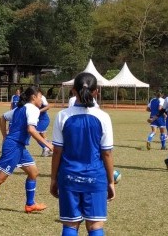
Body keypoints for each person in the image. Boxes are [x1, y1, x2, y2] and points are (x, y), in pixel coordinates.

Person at [0, 86, 53, 218]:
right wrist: (47, 144)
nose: (42, 99)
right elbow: (31, 129)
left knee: (33, 172)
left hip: (19, 147)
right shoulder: (33, 109)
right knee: (0, 178)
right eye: (40, 96)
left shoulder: (20, 109)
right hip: (14, 147)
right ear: (34, 97)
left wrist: (4, 136)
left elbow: (2, 118)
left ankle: (30, 204)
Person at [50, 72, 115, 236]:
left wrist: (53, 178)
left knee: (70, 226)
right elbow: (106, 153)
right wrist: (111, 182)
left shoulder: (62, 116)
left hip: (69, 177)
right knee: (95, 226)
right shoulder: (103, 117)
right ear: (96, 92)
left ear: (73, 91)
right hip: (95, 178)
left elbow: (57, 151)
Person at [37, 90, 53, 157]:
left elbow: (48, 107)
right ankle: (50, 147)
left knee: (36, 133)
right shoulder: (31, 98)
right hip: (37, 120)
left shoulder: (42, 98)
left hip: (43, 119)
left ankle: (46, 148)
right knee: (42, 136)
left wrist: (38, 111)